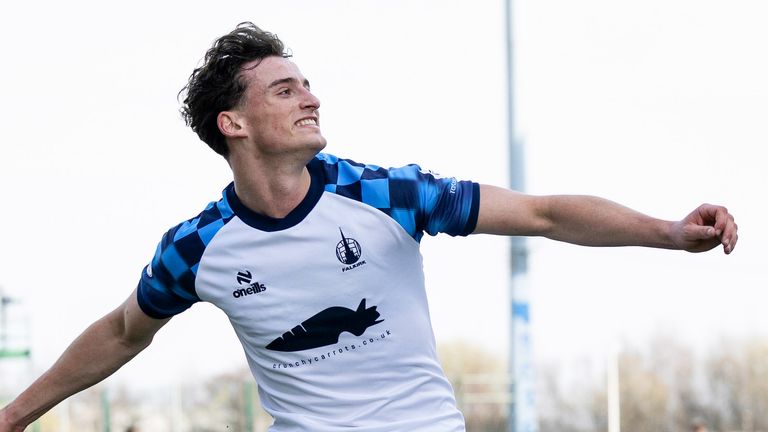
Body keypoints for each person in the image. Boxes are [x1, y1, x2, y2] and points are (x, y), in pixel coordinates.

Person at [0, 22, 738, 432]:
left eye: (308, 83)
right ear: (235, 124)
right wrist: (15, 416)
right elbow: (125, 332)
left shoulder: (387, 194)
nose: (311, 98)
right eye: (285, 89)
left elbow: (542, 213)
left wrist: (669, 232)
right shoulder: (198, 247)